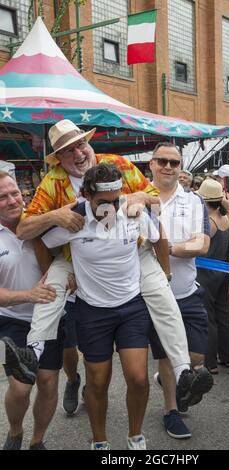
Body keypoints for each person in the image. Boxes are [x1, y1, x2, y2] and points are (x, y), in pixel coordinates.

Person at [3, 120, 204, 414]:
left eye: (80, 144)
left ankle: (185, 371)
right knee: (50, 288)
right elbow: (26, 231)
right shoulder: (53, 181)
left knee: (162, 293)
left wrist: (138, 198)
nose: (78, 153)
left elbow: (155, 206)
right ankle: (31, 353)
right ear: (59, 159)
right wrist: (55, 215)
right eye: (68, 151)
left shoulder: (117, 163)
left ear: (89, 143)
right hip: (76, 258)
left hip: (132, 252)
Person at [42, 163, 160, 450]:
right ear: (86, 196)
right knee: (97, 382)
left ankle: (135, 436)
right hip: (92, 310)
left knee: (139, 378)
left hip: (131, 306)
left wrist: (164, 274)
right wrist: (57, 272)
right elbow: (41, 241)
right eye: (103, 203)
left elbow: (158, 236)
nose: (111, 208)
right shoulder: (74, 220)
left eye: (116, 200)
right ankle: (99, 441)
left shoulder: (133, 214)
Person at [149, 142, 213, 439]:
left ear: (181, 167)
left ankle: (169, 379)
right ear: (151, 164)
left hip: (187, 291)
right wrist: (181, 247)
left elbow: (202, 245)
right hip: (154, 295)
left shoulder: (194, 200)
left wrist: (165, 247)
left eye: (174, 163)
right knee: (167, 354)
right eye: (162, 161)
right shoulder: (138, 198)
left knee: (197, 358)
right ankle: (171, 412)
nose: (168, 167)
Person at [0, 171, 65, 450]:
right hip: (13, 318)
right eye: (2, 197)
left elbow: (70, 261)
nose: (13, 200)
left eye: (15, 193)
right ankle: (15, 432)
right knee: (20, 385)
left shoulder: (42, 221)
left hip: (51, 315)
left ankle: (37, 441)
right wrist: (27, 295)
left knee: (48, 383)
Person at [197, 179, 229, 374]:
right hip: (222, 272)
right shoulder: (225, 218)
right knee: (223, 314)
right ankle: (227, 357)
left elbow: (199, 247)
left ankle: (210, 362)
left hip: (205, 272)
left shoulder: (207, 221)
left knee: (207, 316)